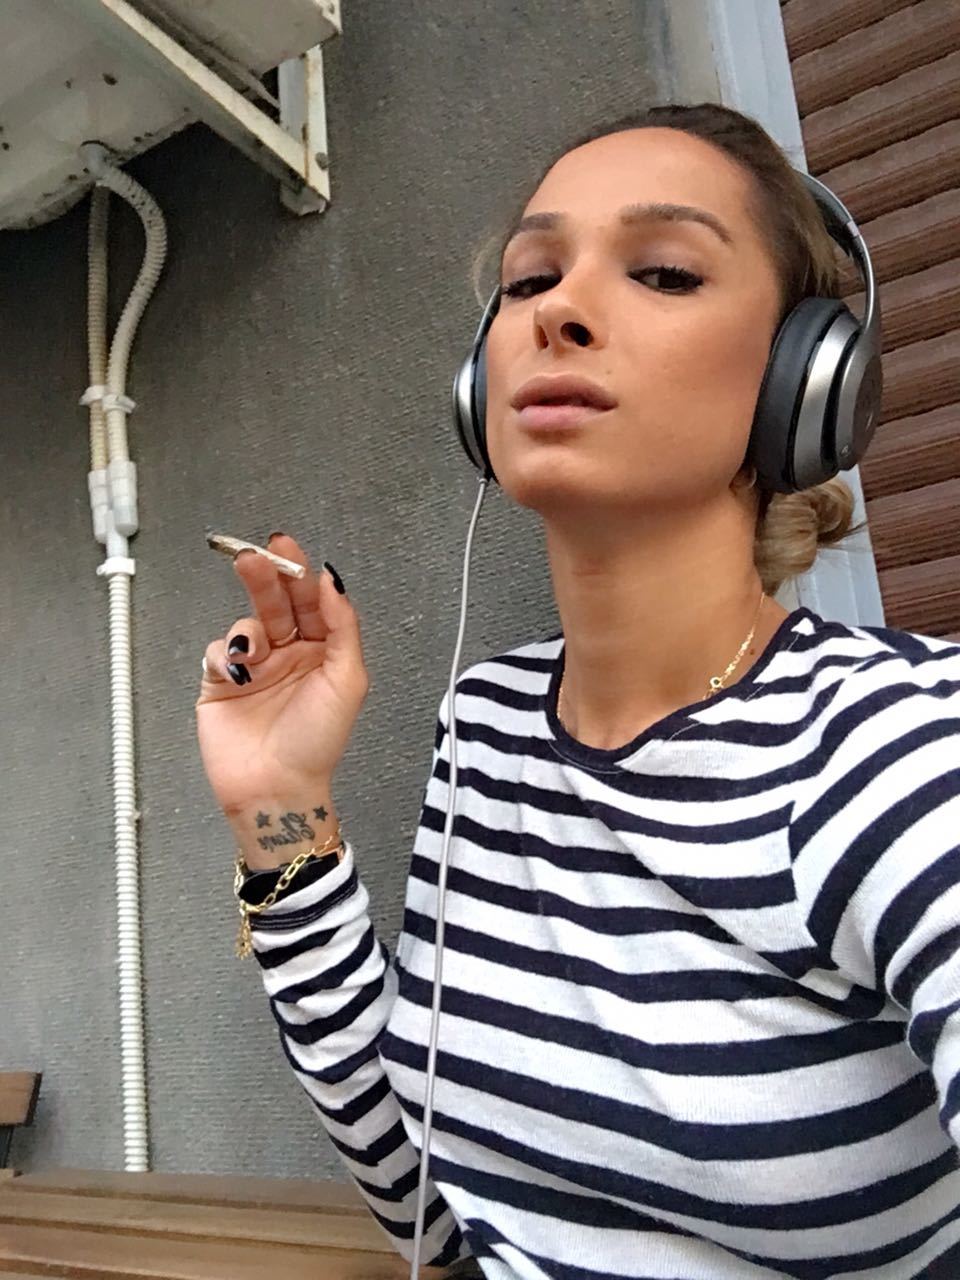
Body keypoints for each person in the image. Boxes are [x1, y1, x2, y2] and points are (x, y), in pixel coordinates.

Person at [196, 102, 960, 1279]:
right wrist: (279, 808)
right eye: (528, 279)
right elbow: (433, 1210)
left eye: (664, 271)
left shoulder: (902, 748)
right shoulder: (490, 721)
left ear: (805, 381)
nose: (559, 309)